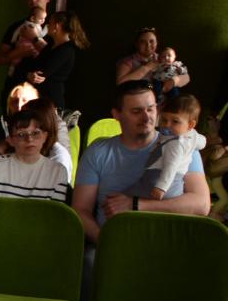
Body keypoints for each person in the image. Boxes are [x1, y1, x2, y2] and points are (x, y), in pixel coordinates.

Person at [74, 81, 210, 278]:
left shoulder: (183, 145)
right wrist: (105, 240)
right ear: (117, 114)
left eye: (151, 109)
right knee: (89, 261)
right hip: (113, 245)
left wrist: (136, 204)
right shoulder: (99, 151)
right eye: (136, 111)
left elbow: (202, 204)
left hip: (168, 246)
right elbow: (81, 209)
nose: (147, 117)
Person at [0, 108, 70, 202]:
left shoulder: (58, 171)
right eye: (21, 135)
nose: (29, 139)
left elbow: (55, 211)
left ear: (45, 137)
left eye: (35, 133)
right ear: (10, 140)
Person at [123, 94, 206, 200]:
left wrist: (161, 187)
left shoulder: (175, 143)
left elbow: (171, 166)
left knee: (127, 193)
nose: (167, 125)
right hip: (176, 186)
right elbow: (202, 143)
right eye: (164, 120)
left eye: (175, 121)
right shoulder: (192, 136)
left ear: (190, 125)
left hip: (158, 180)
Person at [18, 10, 89, 111]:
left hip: (50, 103)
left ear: (57, 26)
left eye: (50, 23)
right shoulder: (51, 45)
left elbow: (39, 74)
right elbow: (30, 66)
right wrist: (28, 73)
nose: (47, 25)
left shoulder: (66, 51)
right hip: (40, 99)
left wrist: (28, 72)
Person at [0, 0, 52, 99]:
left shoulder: (55, 26)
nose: (33, 0)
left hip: (43, 90)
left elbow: (56, 55)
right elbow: (1, 59)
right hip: (16, 86)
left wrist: (34, 38)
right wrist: (19, 52)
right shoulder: (17, 27)